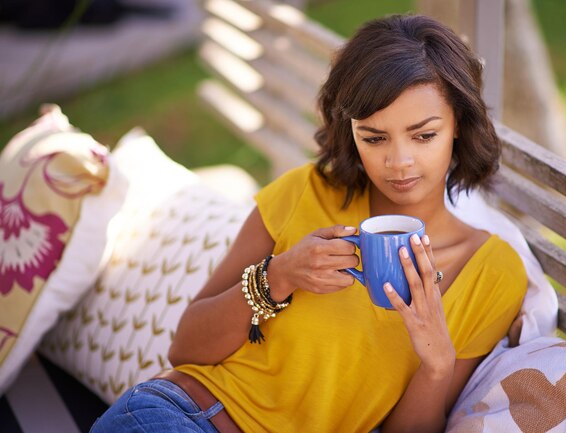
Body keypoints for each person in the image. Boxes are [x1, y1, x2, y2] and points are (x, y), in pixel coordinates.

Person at [90, 13, 527, 433]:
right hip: (184, 419)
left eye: (423, 135)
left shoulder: (491, 273)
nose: (399, 162)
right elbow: (185, 347)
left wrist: (437, 362)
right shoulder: (307, 191)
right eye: (374, 138)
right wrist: (278, 276)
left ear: (459, 125)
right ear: (351, 131)